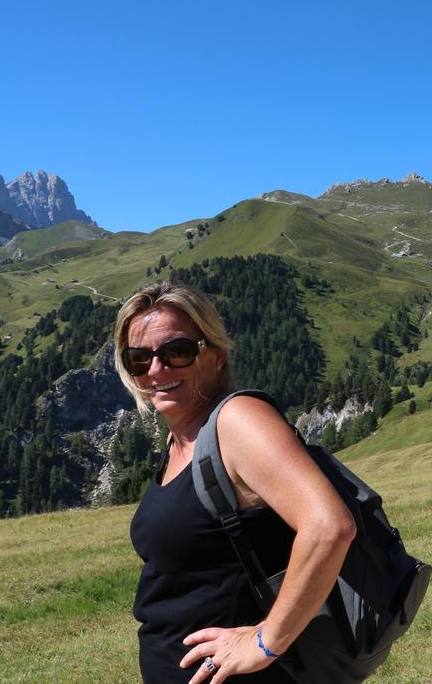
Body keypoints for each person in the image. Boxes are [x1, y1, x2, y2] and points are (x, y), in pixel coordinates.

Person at [115, 280, 356, 682]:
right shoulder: (184, 439)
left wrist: (265, 641)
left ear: (217, 355)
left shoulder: (238, 420)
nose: (157, 369)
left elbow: (329, 526)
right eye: (140, 358)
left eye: (177, 352)